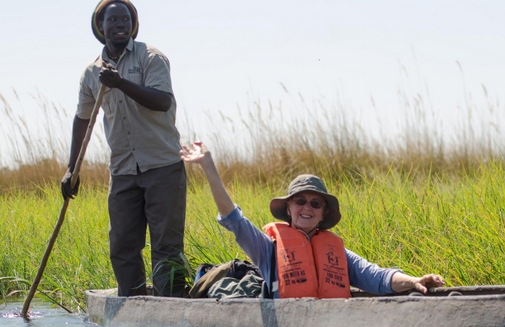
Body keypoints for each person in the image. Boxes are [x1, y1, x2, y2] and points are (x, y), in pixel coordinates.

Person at [180, 141, 446, 298]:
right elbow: (233, 219)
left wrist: (413, 281)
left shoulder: (337, 252)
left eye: (315, 204)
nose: (307, 207)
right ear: (289, 209)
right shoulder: (267, 249)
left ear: (323, 214)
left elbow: (376, 276)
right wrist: (208, 166)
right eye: (300, 201)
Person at [61, 0, 187, 297]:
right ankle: (132, 306)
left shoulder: (151, 58)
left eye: (125, 19)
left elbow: (162, 101)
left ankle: (171, 305)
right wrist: (71, 169)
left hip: (163, 166)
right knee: (122, 245)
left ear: (132, 25)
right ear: (100, 27)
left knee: (166, 245)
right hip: (123, 171)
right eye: (113, 19)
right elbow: (83, 119)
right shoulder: (92, 73)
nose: (120, 24)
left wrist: (120, 84)